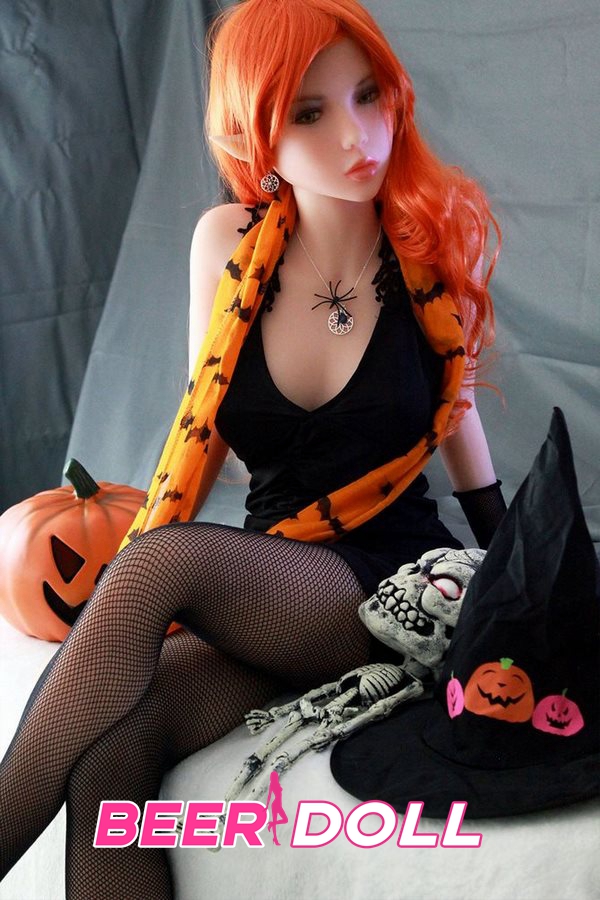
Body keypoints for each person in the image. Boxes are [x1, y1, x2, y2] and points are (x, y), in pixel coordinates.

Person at [0, 1, 506, 897]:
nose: (356, 135)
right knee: (112, 755)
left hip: (381, 583)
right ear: (255, 135)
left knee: (157, 562)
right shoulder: (226, 246)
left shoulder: (431, 245)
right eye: (309, 112)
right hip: (273, 582)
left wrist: (513, 575)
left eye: (368, 95)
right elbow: (210, 426)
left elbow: (460, 420)